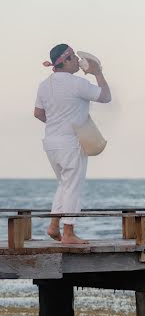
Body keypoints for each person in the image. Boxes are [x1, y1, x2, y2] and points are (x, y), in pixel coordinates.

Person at [34, 44, 112, 244]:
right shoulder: (77, 83)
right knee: (73, 187)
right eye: (75, 57)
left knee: (65, 184)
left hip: (51, 142)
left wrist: (57, 123)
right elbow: (105, 97)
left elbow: (38, 113)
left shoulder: (44, 84)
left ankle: (53, 226)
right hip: (71, 142)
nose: (78, 60)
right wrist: (97, 73)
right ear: (66, 59)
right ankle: (68, 232)